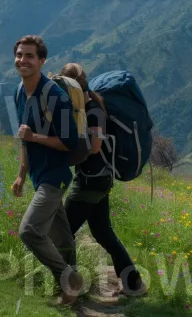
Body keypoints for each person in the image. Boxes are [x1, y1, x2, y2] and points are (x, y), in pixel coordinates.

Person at [60, 62, 147, 297]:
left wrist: (67, 148)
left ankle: (69, 287)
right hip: (99, 178)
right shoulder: (90, 106)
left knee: (63, 231)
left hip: (91, 180)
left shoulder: (93, 111)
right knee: (102, 232)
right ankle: (134, 284)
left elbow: (95, 147)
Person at [11, 35, 84, 306]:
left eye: (29, 56)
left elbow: (69, 142)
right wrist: (21, 174)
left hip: (55, 177)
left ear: (42, 61)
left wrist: (35, 138)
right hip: (38, 175)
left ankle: (69, 279)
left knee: (29, 231)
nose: (23, 60)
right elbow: (23, 136)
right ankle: (71, 290)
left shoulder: (55, 97)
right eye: (19, 55)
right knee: (63, 236)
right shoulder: (20, 91)